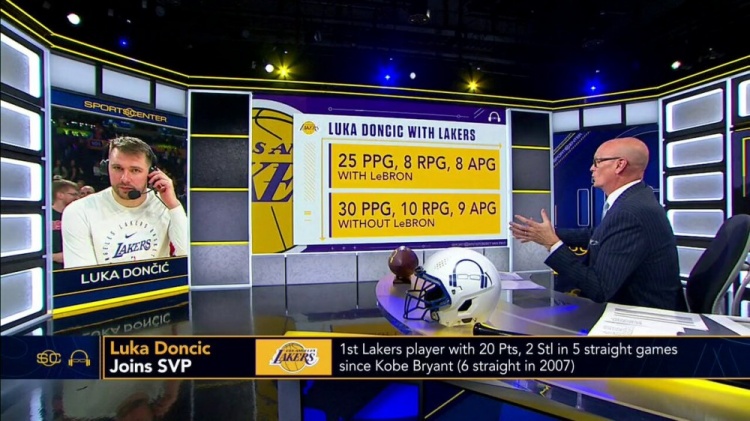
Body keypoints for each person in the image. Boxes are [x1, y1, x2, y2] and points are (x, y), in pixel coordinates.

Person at [509, 137, 687, 311]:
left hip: (646, 319)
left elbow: (599, 288)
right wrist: (550, 233)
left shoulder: (630, 212)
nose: (591, 168)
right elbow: (601, 234)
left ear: (619, 165)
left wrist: (552, 243)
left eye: (598, 162)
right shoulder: (636, 198)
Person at [62, 136, 188, 268]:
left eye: (135, 170)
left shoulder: (164, 205)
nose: (125, 179)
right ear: (106, 168)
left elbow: (188, 257)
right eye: (117, 168)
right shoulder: (79, 212)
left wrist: (173, 205)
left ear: (151, 173)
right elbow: (83, 275)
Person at [51, 179, 80, 270]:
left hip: (74, 266)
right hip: (52, 268)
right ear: (60, 195)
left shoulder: (78, 216)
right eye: (73, 194)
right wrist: (53, 256)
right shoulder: (44, 216)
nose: (77, 198)